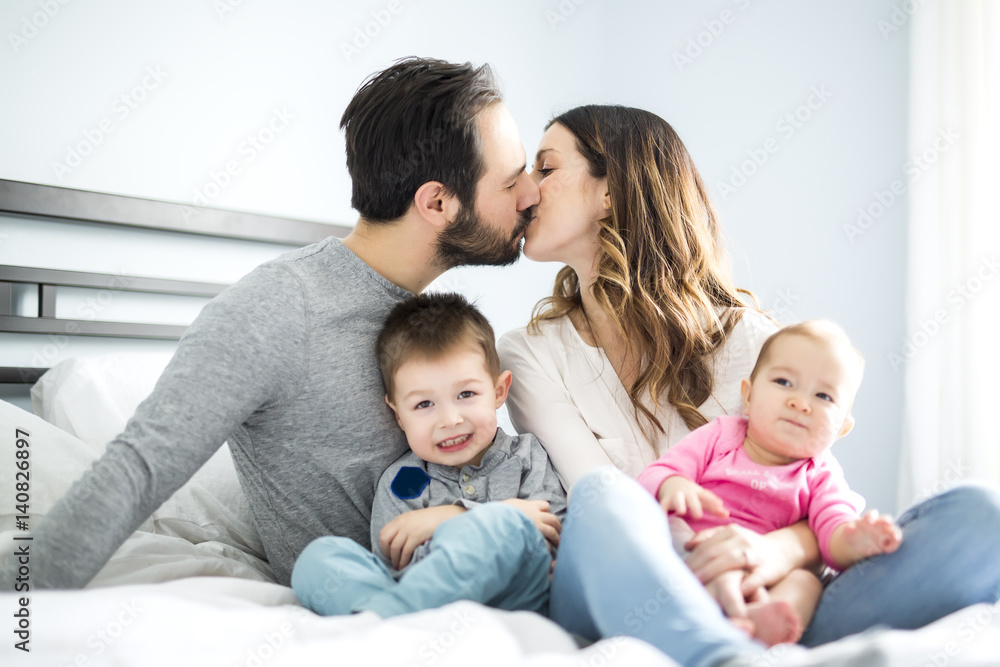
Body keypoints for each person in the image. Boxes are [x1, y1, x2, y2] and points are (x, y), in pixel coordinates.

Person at [0, 56, 541, 590]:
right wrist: (19, 602)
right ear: (438, 202)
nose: (530, 194)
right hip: (367, 600)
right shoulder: (279, 309)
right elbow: (136, 472)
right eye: (511, 180)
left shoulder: (434, 323)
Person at [497, 104, 1000, 661]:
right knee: (601, 497)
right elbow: (617, 513)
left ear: (610, 191)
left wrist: (780, 552)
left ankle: (751, 640)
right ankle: (720, 654)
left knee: (983, 515)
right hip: (631, 587)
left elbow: (818, 496)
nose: (525, 192)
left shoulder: (754, 342)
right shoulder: (529, 353)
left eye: (546, 169)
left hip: (764, 588)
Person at [290, 293, 565, 618]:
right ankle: (389, 619)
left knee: (505, 524)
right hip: (424, 598)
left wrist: (452, 517)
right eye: (424, 404)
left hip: (514, 598)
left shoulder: (527, 455)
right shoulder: (405, 479)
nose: (449, 420)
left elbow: (551, 532)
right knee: (320, 557)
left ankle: (387, 620)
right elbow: (395, 558)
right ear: (398, 415)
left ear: (499, 391)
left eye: (466, 394)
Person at [637, 320, 903, 646]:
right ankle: (715, 623)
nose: (800, 403)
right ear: (747, 396)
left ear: (842, 429)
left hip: (764, 578)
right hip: (694, 551)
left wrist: (857, 539)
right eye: (784, 381)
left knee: (807, 582)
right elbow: (650, 477)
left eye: (823, 395)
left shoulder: (821, 474)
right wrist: (673, 484)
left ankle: (767, 626)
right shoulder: (721, 435)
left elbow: (832, 540)